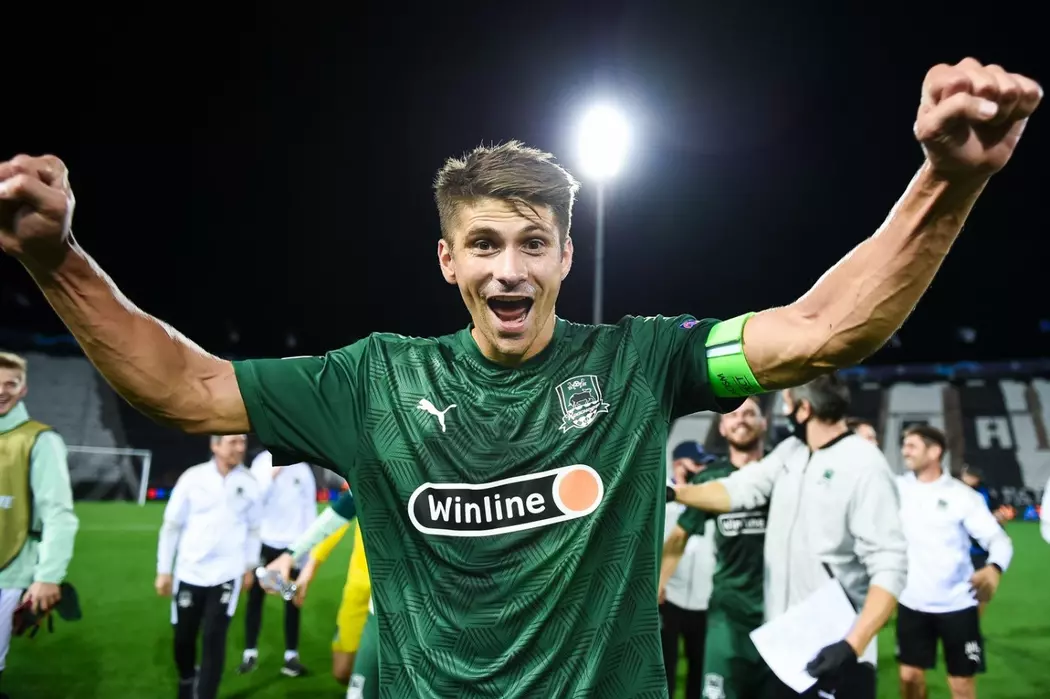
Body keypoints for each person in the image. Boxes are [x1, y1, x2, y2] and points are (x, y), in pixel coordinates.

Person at [0, 59, 1040, 698]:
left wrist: (947, 182)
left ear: (566, 256)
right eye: (485, 244)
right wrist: (57, 257)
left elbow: (818, 332)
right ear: (446, 260)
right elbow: (184, 389)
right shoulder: (370, 380)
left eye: (534, 242)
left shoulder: (641, 361)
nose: (510, 268)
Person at [674, 376, 908, 698]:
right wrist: (675, 493)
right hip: (786, 649)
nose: (784, 413)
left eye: (787, 404)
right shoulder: (791, 452)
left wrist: (851, 645)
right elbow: (739, 488)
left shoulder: (865, 465)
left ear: (804, 409)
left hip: (837, 648)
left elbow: (891, 566)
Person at [660, 397, 771, 699]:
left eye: (750, 413)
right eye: (733, 415)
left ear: (764, 423)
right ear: (722, 428)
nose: (741, 419)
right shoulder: (711, 479)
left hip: (777, 611)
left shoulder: (780, 472)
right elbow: (680, 536)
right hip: (728, 613)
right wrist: (658, 584)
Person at [896, 425, 1013, 699]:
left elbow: (998, 540)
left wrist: (994, 568)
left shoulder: (963, 496)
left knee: (961, 684)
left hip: (958, 605)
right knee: (909, 678)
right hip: (912, 602)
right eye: (904, 445)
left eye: (912, 446)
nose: (904, 451)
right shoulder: (895, 488)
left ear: (934, 451)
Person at [155, 434, 261, 699]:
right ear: (215, 445)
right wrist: (164, 570)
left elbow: (254, 529)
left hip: (227, 573)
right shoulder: (193, 478)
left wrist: (249, 566)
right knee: (183, 636)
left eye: (242, 442)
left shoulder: (249, 482)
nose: (240, 448)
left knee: (215, 635)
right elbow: (172, 525)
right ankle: (187, 678)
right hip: (190, 571)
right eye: (233, 442)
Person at [0, 352, 78, 699]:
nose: (2, 391)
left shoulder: (41, 440)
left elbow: (58, 514)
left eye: (10, 383)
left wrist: (48, 576)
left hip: (9, 571)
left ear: (24, 389)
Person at [265, 490, 370, 689]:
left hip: (405, 592)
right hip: (360, 587)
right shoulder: (372, 476)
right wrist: (304, 565)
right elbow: (341, 514)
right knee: (342, 670)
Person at [239, 450, 317, 677]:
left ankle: (291, 657)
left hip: (293, 548)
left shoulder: (303, 469)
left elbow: (309, 510)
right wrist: (272, 475)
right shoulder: (262, 462)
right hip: (264, 543)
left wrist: (308, 550)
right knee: (255, 598)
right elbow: (252, 501)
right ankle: (250, 653)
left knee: (292, 598)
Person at [660, 441, 716, 699]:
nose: (702, 469)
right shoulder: (660, 498)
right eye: (697, 463)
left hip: (705, 599)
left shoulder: (706, 500)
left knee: (699, 667)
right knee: (665, 666)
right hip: (668, 596)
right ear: (678, 464)